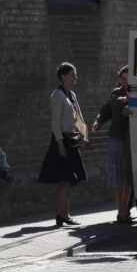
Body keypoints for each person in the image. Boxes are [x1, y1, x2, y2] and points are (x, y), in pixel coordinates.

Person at [38, 62, 89, 227]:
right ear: (63, 76)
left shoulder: (71, 95)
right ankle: (63, 215)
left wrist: (85, 136)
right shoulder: (57, 95)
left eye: (76, 75)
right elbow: (55, 122)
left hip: (72, 141)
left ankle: (63, 214)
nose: (76, 78)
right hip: (62, 141)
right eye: (72, 75)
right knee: (66, 180)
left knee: (68, 180)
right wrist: (59, 143)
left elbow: (79, 118)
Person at [92, 65, 135, 224]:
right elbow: (110, 106)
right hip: (117, 138)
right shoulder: (117, 93)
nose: (125, 81)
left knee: (128, 176)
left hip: (132, 138)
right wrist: (98, 121)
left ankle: (125, 210)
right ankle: (120, 211)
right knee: (118, 175)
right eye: (123, 78)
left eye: (128, 78)